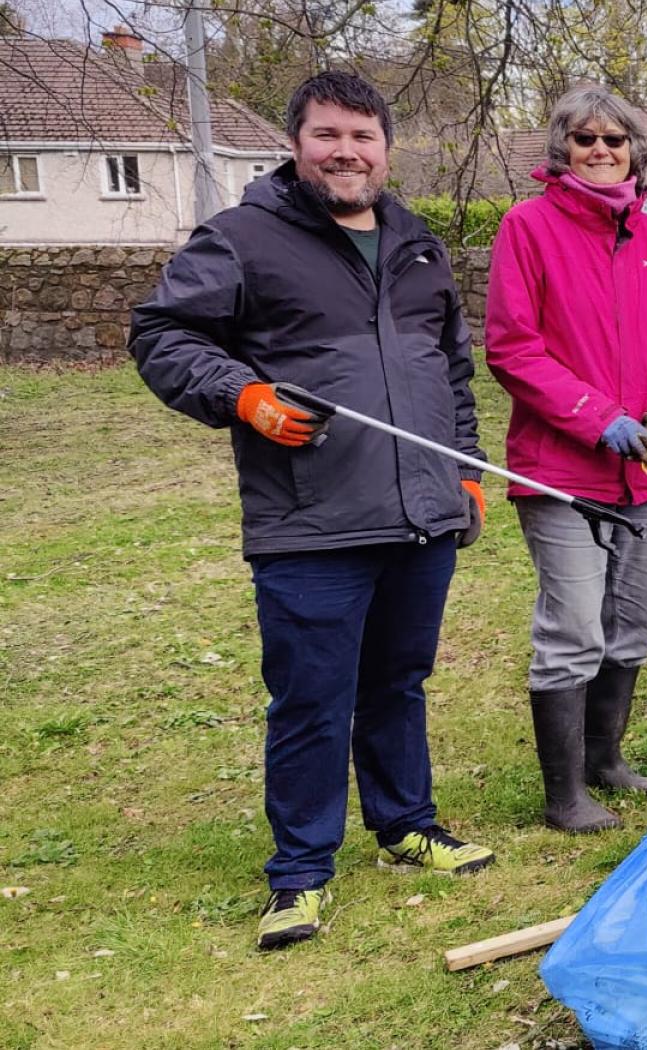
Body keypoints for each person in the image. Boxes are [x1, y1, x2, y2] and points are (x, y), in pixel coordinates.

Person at [128, 71, 495, 951]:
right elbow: (162, 333)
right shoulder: (243, 239)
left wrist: (468, 474)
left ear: (386, 148)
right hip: (311, 522)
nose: (346, 152)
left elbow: (450, 373)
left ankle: (406, 823)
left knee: (397, 685)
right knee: (311, 699)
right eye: (328, 135)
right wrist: (241, 393)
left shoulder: (417, 245)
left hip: (420, 513)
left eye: (363, 138)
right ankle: (299, 872)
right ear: (297, 142)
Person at [484, 86, 647, 833]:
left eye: (614, 140)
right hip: (560, 471)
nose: (599, 150)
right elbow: (512, 347)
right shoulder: (527, 229)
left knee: (635, 621)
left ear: (634, 151)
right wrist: (598, 418)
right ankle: (564, 797)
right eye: (584, 139)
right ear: (561, 149)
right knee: (574, 627)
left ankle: (606, 760)